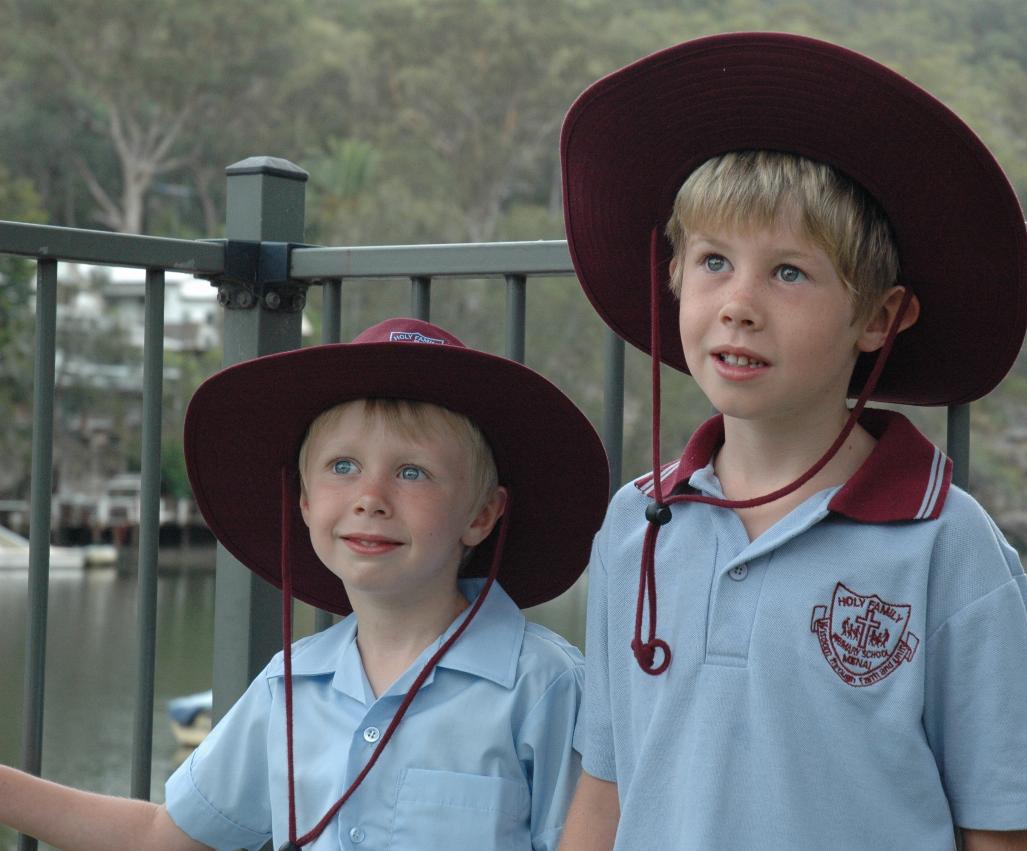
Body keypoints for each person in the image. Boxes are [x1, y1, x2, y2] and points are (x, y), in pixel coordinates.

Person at [557, 33, 1027, 849]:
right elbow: (605, 788)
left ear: (879, 317)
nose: (739, 304)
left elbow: (1003, 830)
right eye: (714, 261)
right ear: (672, 278)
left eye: (789, 272)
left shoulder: (949, 544)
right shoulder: (634, 526)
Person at [0, 317, 609, 850]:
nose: (370, 498)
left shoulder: (545, 688)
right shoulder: (289, 686)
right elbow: (166, 836)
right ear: (306, 502)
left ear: (480, 514)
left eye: (412, 471)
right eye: (343, 467)